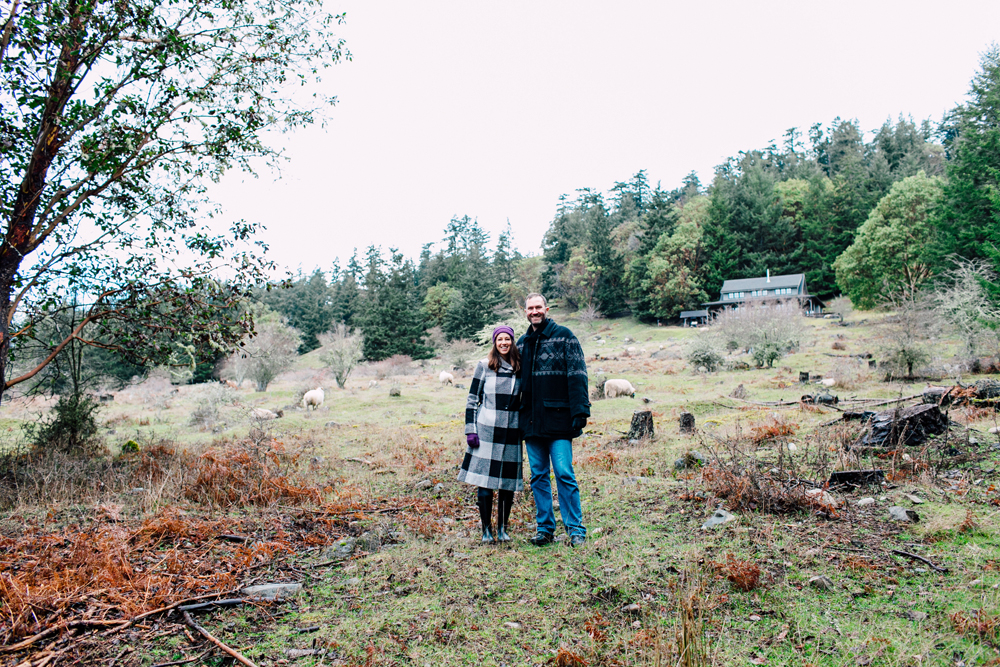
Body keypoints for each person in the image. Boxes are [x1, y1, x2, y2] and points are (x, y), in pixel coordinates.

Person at [517, 293, 590, 547]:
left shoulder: (565, 336)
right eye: (530, 308)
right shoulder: (522, 343)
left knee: (563, 473)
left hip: (559, 420)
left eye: (538, 307)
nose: (534, 311)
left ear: (546, 309)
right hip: (530, 422)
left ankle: (576, 530)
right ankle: (545, 529)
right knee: (538, 475)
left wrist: (580, 410)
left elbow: (578, 373)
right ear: (525, 311)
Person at [458, 325, 524, 543]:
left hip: (512, 432)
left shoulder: (520, 367)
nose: (504, 343)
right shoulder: (484, 366)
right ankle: (486, 530)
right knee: (485, 482)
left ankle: (503, 529)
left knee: (507, 484)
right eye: (500, 339)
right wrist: (471, 430)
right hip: (487, 431)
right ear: (495, 343)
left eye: (507, 339)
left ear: (512, 342)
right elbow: (472, 400)